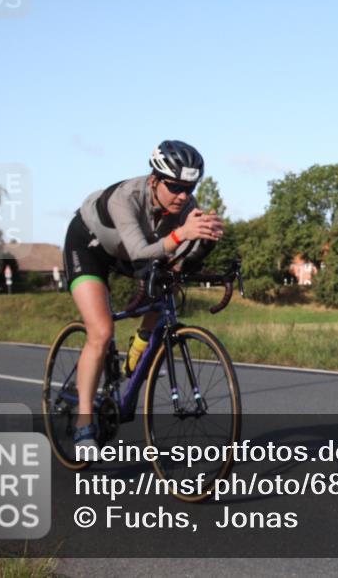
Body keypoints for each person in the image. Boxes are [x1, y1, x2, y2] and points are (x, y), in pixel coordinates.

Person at [62, 140, 223, 452]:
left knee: (167, 288)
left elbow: (179, 257)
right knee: (102, 331)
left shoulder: (185, 206)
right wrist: (181, 235)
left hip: (127, 252)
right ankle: (84, 424)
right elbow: (140, 251)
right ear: (154, 180)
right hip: (89, 247)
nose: (184, 196)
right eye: (175, 187)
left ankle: (139, 346)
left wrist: (206, 241)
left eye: (190, 188)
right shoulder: (126, 198)